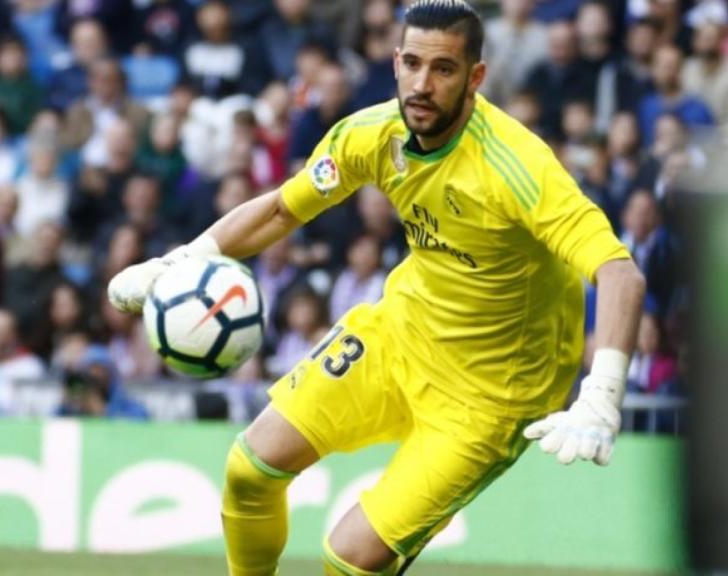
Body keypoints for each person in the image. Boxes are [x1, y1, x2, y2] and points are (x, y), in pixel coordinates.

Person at [107, 1, 644, 574]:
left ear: (475, 77)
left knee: (349, 558)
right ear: (394, 62)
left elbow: (618, 272)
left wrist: (603, 390)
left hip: (490, 396)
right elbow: (280, 212)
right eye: (411, 63)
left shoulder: (516, 166)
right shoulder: (371, 135)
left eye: (442, 69)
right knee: (250, 468)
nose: (422, 83)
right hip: (400, 336)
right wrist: (185, 258)